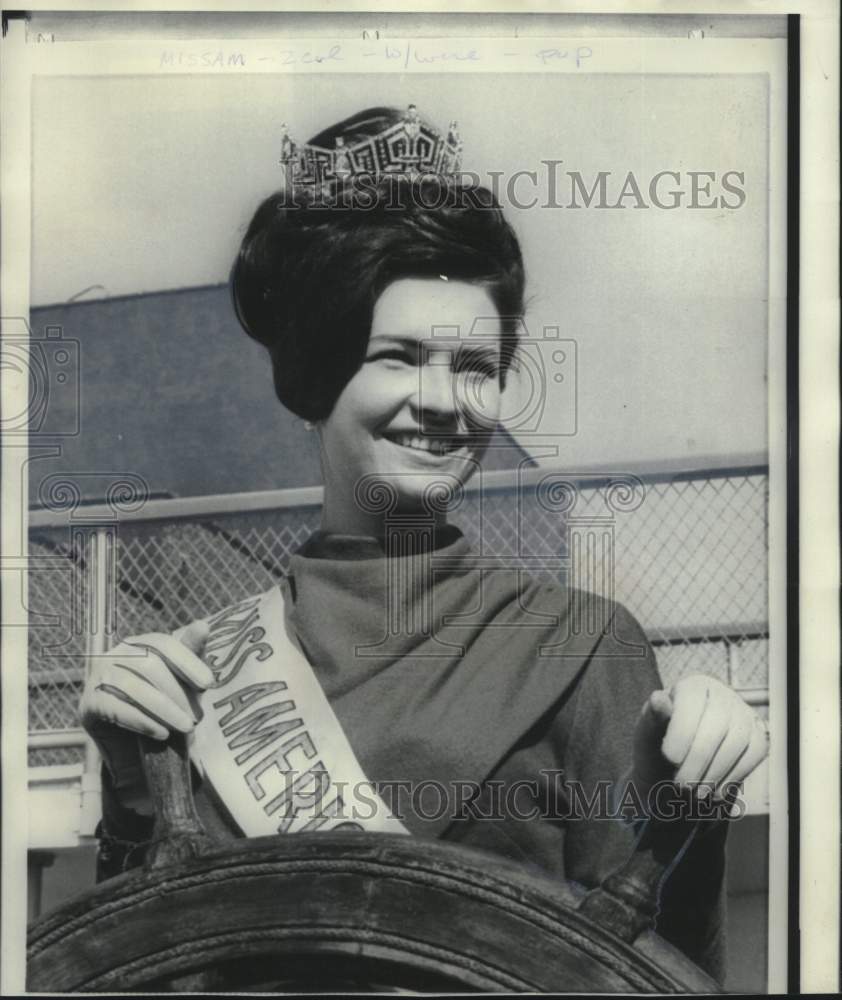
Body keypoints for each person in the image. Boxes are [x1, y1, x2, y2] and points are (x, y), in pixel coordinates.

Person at [79, 105, 769, 984]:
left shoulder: (578, 647)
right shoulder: (200, 673)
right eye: (400, 357)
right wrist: (133, 802)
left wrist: (690, 803)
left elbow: (659, 976)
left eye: (476, 368)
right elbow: (130, 968)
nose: (444, 402)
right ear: (316, 373)